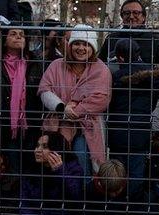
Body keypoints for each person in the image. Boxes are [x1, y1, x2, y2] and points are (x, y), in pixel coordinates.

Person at [38, 25, 112, 177]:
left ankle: (81, 196)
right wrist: (62, 108)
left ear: (93, 47)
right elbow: (45, 89)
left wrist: (74, 111)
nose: (81, 48)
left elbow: (100, 99)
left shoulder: (101, 69)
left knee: (81, 161)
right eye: (77, 43)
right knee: (54, 164)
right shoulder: (56, 65)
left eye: (86, 44)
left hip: (87, 127)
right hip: (57, 127)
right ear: (70, 45)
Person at [106, 38, 159, 200]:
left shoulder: (113, 77)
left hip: (117, 133)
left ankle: (117, 204)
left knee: (117, 172)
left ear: (120, 58)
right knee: (137, 173)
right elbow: (156, 95)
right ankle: (133, 207)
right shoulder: (154, 77)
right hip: (140, 132)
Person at [0, 27, 44, 170]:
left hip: (30, 125)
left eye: (22, 35)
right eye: (13, 34)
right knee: (12, 167)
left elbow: (39, 96)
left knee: (30, 168)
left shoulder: (35, 64)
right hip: (4, 126)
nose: (18, 37)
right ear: (4, 40)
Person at [99, 0, 159, 69]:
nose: (131, 17)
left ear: (143, 17)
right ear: (122, 16)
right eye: (127, 13)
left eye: (136, 13)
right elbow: (101, 66)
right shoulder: (112, 38)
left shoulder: (155, 41)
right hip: (116, 80)